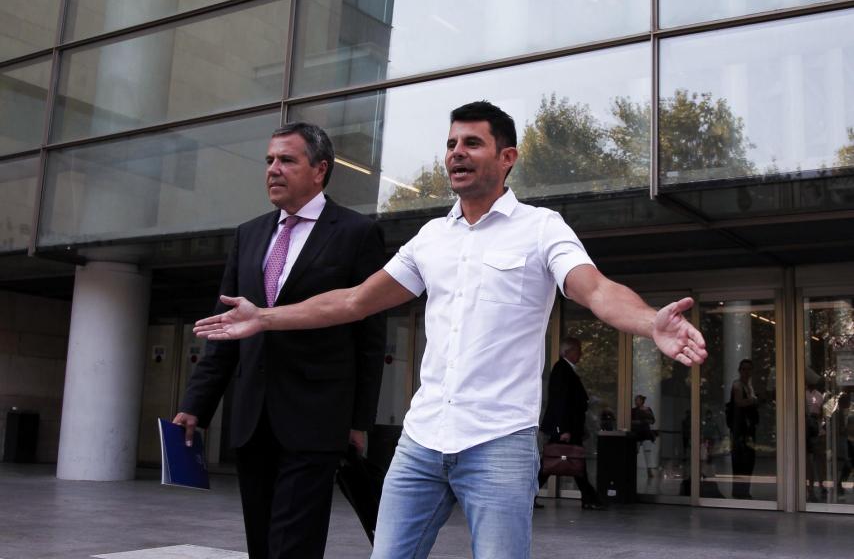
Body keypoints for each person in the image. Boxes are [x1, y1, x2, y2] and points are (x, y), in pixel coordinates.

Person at [193, 101, 707, 559]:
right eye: (451, 144)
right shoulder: (430, 238)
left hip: (499, 443)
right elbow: (353, 301)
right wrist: (263, 317)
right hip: (421, 441)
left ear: (507, 157)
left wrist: (648, 322)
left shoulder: (542, 228)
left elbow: (594, 289)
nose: (456, 153)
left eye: (472, 143)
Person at [173, 123, 386, 559]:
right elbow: (225, 330)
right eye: (269, 160)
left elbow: (369, 334)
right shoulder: (248, 234)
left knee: (294, 544)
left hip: (317, 418)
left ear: (320, 169)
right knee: (262, 543)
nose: (273, 169)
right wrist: (196, 404)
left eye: (287, 160)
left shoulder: (355, 232)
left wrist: (358, 420)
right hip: (254, 418)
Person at [537, 337, 604, 509]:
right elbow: (560, 402)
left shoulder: (567, 369)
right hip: (564, 428)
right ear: (568, 352)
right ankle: (589, 499)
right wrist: (563, 429)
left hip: (569, 427)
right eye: (577, 350)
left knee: (565, 462)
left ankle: (589, 498)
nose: (580, 353)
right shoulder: (562, 370)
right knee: (557, 462)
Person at [729, 358, 759, 500]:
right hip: (740, 430)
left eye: (749, 369)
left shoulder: (749, 386)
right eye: (744, 369)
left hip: (749, 429)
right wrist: (753, 400)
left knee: (748, 461)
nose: (746, 372)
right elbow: (739, 402)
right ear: (740, 371)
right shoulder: (737, 385)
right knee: (741, 460)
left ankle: (744, 491)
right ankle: (739, 492)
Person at [631, 394, 657, 479]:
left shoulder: (648, 409)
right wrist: (637, 422)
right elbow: (630, 421)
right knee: (634, 452)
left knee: (648, 452)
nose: (636, 401)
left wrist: (646, 421)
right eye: (635, 400)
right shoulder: (633, 410)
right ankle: (632, 469)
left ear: (642, 401)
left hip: (646, 433)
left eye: (637, 400)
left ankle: (649, 469)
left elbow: (653, 420)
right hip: (637, 433)